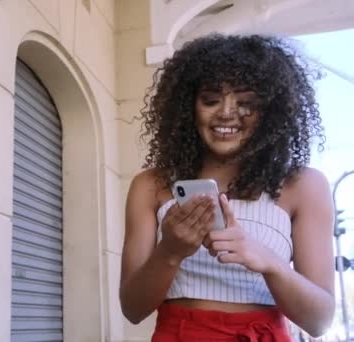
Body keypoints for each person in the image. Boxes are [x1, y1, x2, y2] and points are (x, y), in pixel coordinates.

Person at [119, 34, 335, 341]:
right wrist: (169, 251)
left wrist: (269, 262)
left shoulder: (303, 186)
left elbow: (320, 321)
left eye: (246, 103)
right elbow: (132, 308)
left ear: (270, 112)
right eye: (211, 99)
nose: (226, 112)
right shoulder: (151, 185)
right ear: (188, 107)